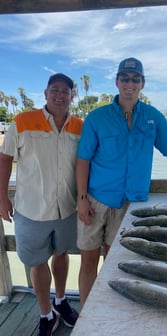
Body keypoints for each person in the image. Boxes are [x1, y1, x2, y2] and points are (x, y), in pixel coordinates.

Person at [76, 57, 167, 307]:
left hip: (131, 205)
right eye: (125, 78)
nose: (129, 84)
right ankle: (86, 313)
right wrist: (81, 199)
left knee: (117, 259)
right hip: (96, 200)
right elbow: (83, 159)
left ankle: (109, 312)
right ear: (117, 82)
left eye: (135, 79)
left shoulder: (153, 116)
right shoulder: (96, 118)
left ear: (142, 84)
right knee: (88, 260)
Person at [0, 73, 83, 336]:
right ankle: (46, 314)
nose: (60, 95)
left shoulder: (80, 126)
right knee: (37, 262)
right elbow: (4, 158)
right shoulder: (23, 122)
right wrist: (2, 197)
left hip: (67, 208)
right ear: (45, 94)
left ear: (71, 96)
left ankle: (60, 301)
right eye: (55, 90)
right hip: (31, 209)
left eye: (65, 92)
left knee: (62, 255)